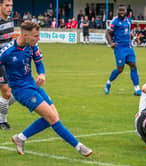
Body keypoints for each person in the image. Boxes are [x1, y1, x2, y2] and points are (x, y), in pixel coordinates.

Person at [0, 20, 92, 157]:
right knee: (52, 118)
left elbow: (39, 62)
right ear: (25, 35)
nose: (38, 39)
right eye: (35, 36)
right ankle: (79, 147)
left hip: (33, 85)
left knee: (53, 116)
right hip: (21, 91)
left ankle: (21, 138)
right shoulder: (7, 52)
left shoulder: (32, 46)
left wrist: (41, 74)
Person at [104, 5, 141, 96]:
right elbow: (107, 33)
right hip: (119, 47)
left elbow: (128, 32)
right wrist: (111, 43)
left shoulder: (128, 20)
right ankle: (108, 83)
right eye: (120, 10)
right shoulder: (115, 21)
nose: (121, 12)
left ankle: (137, 89)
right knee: (120, 69)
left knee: (133, 65)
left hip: (128, 47)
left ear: (126, 11)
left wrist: (135, 38)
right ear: (117, 11)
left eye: (123, 10)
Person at [0, 0, 15, 129]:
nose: (9, 8)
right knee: (6, 92)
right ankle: (2, 121)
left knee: (15, 91)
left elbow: (9, 40)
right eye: (7, 5)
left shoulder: (10, 20)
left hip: (8, 60)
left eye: (11, 5)